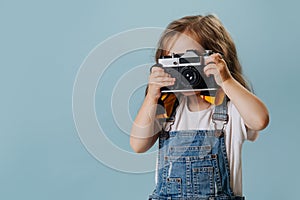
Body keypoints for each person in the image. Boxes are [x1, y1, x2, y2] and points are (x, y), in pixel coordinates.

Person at [130, 14, 269, 199]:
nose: (184, 71)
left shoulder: (232, 111)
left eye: (189, 60)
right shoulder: (168, 112)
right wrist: (152, 96)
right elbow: (138, 145)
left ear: (217, 60)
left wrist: (226, 81)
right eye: (174, 62)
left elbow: (260, 120)